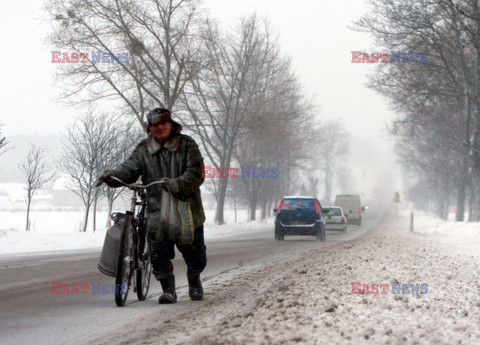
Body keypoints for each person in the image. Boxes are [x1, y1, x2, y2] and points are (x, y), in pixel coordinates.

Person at [96, 108, 206, 304]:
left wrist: (178, 184)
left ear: (171, 124)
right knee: (158, 255)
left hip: (186, 210)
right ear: (150, 128)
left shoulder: (187, 145)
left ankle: (194, 280)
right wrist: (112, 176)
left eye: (164, 123)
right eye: (155, 125)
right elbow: (129, 169)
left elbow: (197, 172)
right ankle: (168, 291)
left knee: (195, 254)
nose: (160, 127)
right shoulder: (143, 149)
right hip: (156, 210)